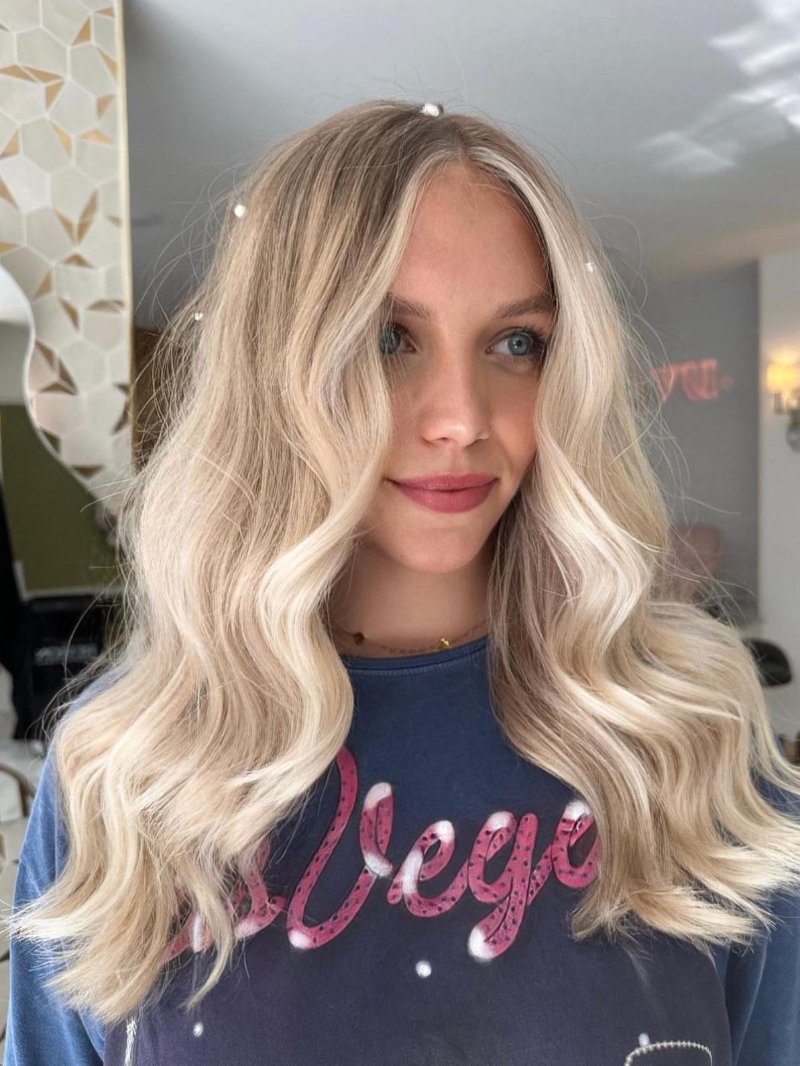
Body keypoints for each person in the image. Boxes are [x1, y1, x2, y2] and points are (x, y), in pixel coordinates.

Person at [5, 99, 800, 1066]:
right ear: (275, 372)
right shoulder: (128, 773)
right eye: (389, 338)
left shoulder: (689, 740)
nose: (461, 416)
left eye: (518, 342)